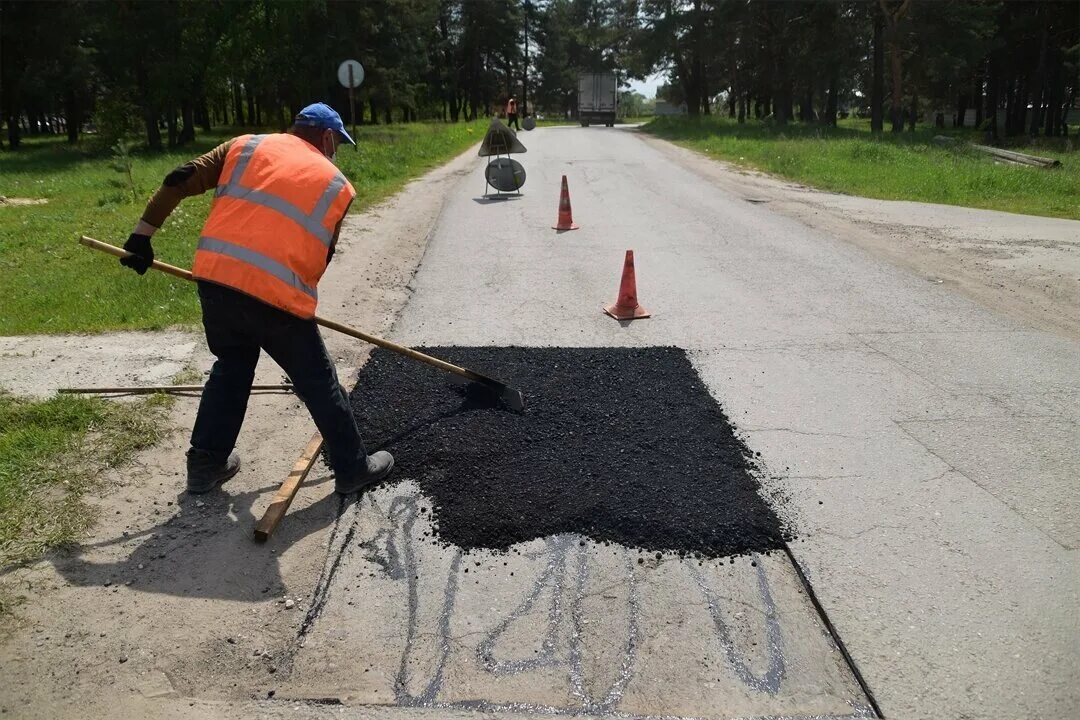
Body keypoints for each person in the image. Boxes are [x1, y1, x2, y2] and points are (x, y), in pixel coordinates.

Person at [119, 102, 393, 496]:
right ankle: (353, 468)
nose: (335, 153)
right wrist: (296, 302)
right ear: (328, 137)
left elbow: (179, 178)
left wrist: (141, 236)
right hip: (276, 297)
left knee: (231, 365)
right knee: (317, 379)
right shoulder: (337, 184)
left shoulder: (244, 146)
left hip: (216, 281)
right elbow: (322, 257)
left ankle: (206, 464)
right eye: (337, 144)